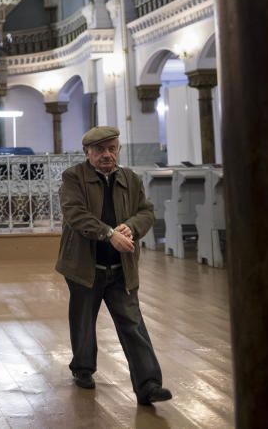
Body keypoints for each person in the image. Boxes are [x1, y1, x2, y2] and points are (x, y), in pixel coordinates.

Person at [55, 125, 172, 406]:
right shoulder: (74, 177)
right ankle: (83, 369)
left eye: (112, 148)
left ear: (118, 149)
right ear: (87, 152)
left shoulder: (130, 179)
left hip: (122, 268)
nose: (107, 155)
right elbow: (75, 214)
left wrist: (131, 227)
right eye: (100, 150)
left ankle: (149, 385)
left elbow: (146, 212)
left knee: (133, 324)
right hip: (84, 266)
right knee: (83, 321)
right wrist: (110, 234)